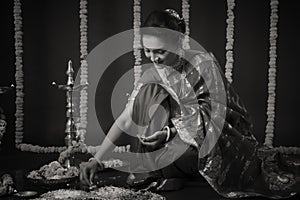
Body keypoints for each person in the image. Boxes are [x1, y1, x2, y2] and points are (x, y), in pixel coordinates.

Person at [80, 9, 299, 198]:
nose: (153, 58)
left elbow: (217, 114)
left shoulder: (203, 63)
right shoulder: (152, 73)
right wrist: (97, 161)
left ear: (177, 43)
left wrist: (169, 132)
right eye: (147, 51)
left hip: (211, 142)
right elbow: (127, 118)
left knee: (179, 159)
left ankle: (167, 172)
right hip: (171, 140)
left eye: (160, 51)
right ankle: (165, 172)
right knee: (147, 93)